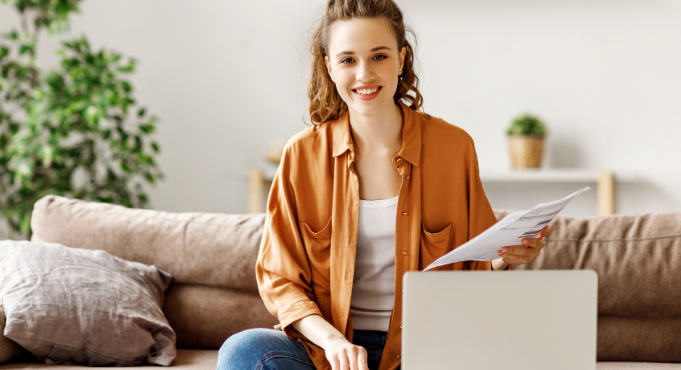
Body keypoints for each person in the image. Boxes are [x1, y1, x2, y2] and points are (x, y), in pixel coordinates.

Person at [217, 1, 550, 369]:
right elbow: (280, 280)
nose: (364, 74)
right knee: (244, 351)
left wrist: (505, 257)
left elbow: (477, 264)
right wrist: (334, 343)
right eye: (347, 60)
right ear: (329, 66)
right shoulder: (301, 155)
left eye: (379, 56)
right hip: (329, 354)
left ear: (401, 58)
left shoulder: (453, 147)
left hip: (425, 350)